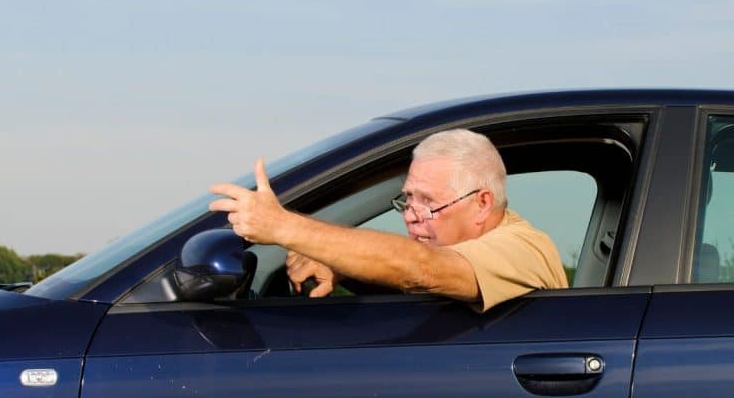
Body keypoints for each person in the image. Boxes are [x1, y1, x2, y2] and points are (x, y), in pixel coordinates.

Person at [209, 129, 568, 312]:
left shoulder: (522, 248)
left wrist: (284, 227)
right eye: (409, 199)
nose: (411, 216)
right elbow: (418, 284)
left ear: (482, 204)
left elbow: (423, 271)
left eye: (429, 202)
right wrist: (344, 267)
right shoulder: (466, 252)